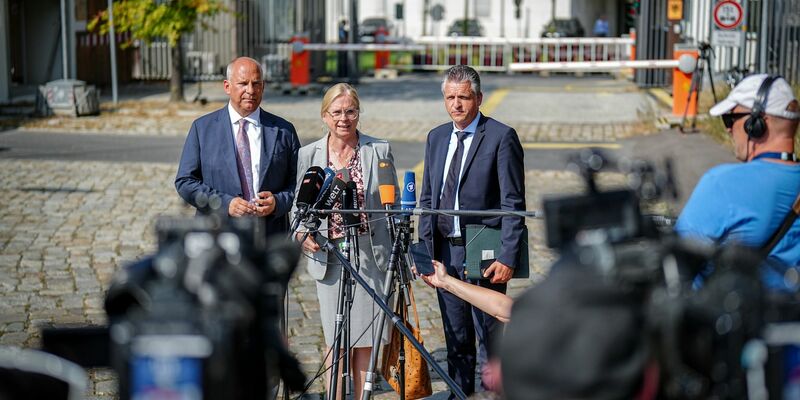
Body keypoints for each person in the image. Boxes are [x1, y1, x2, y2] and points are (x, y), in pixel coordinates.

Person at [418, 64, 526, 397]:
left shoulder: (500, 136)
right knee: (456, 336)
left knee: (489, 334)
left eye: (463, 97)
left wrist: (509, 254)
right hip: (446, 249)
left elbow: (513, 202)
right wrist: (424, 254)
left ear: (478, 98)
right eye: (450, 98)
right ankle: (458, 392)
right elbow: (427, 198)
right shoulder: (436, 137)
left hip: (485, 244)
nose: (456, 105)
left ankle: (491, 393)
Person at [292, 83, 397, 400]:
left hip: (369, 253)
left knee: (365, 339)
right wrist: (302, 235)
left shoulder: (378, 150)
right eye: (336, 112)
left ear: (358, 113)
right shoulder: (309, 154)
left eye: (350, 111)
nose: (344, 118)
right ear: (325, 116)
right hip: (329, 255)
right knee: (335, 339)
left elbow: (390, 209)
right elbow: (300, 207)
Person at [675, 74, 800, 292]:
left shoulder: (721, 184)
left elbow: (677, 268)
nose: (728, 128)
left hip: (736, 320)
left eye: (731, 119)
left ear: (757, 123)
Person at [175, 57, 301, 238]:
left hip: (270, 236)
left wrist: (277, 203)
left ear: (263, 87)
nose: (250, 90)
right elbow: (185, 182)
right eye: (243, 83)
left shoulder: (283, 130)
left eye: (256, 84)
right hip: (217, 234)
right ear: (227, 86)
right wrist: (224, 203)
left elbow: (298, 184)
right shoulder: (203, 128)